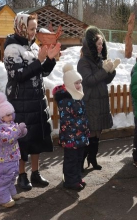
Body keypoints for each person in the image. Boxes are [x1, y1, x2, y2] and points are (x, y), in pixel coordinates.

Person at [3, 13, 61, 190]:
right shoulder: (11, 48)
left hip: (36, 100)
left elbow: (42, 72)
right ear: (21, 27)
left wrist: (49, 59)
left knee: (36, 138)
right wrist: (40, 60)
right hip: (20, 102)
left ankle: (35, 173)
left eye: (35, 28)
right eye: (31, 29)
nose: (34, 32)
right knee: (22, 140)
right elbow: (18, 75)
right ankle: (22, 175)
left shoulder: (34, 46)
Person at [77, 26, 120, 170]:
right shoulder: (84, 61)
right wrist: (104, 70)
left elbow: (104, 80)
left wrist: (111, 71)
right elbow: (89, 80)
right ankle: (80, 162)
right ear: (91, 45)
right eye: (98, 44)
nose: (101, 47)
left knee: (97, 134)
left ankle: (92, 159)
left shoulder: (99, 59)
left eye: (102, 44)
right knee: (90, 133)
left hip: (101, 100)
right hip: (90, 101)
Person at [0, 92, 28, 207]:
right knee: (3, 178)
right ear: (0, 116)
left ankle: (10, 192)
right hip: (1, 159)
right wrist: (17, 131)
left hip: (12, 156)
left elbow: (15, 135)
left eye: (11, 114)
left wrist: (21, 131)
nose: (11, 117)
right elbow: (5, 138)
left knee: (12, 175)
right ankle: (1, 198)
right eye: (7, 115)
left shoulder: (9, 123)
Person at [53, 63, 90, 191]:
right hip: (71, 136)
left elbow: (82, 116)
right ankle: (70, 181)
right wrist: (79, 127)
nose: (79, 85)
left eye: (80, 82)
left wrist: (85, 129)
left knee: (79, 158)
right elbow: (67, 120)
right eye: (76, 83)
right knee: (71, 159)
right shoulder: (65, 100)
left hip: (80, 135)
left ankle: (77, 178)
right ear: (69, 84)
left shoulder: (78, 96)